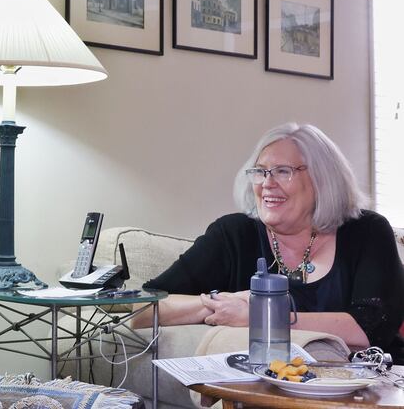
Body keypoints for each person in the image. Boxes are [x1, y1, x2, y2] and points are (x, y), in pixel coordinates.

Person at [134, 122, 404, 363]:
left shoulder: (367, 231)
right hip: (270, 385)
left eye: (283, 171)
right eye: (260, 171)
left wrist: (261, 317)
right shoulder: (233, 234)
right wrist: (219, 305)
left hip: (371, 385)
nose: (267, 183)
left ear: (323, 179)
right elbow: (144, 309)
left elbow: (369, 329)